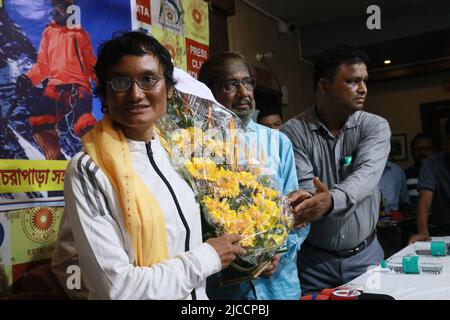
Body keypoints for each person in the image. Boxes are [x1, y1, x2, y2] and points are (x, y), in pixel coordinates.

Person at [51, 31, 245, 300]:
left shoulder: (178, 154)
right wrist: (208, 257)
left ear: (168, 88)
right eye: (120, 81)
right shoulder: (89, 170)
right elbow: (117, 289)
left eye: (148, 79)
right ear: (105, 94)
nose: (135, 94)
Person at [198, 52, 309, 300]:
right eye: (230, 85)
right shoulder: (194, 146)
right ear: (207, 90)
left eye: (247, 83)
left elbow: (297, 213)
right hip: (225, 289)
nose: (244, 93)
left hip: (279, 286)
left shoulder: (277, 142)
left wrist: (278, 251)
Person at [281, 45, 390, 294]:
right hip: (313, 263)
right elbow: (304, 185)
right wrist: (308, 199)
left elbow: (366, 176)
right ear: (323, 86)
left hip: (365, 257)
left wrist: (329, 201)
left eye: (364, 81)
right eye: (352, 81)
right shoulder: (293, 131)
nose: (362, 89)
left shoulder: (375, 127)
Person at [15, 0, 96, 160]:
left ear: (69, 10)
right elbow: (43, 66)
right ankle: (56, 160)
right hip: (54, 87)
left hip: (77, 87)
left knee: (84, 121)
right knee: (39, 120)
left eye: (60, 7)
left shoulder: (80, 35)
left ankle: (98, 158)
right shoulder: (49, 33)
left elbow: (91, 65)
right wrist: (28, 79)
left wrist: (107, 83)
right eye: (54, 7)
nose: (56, 11)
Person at [409, 119, 450, 242]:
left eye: (426, 148)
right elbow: (425, 200)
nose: (422, 152)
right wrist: (422, 232)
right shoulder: (432, 163)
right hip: (445, 230)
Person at [404, 133, 435, 211]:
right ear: (412, 152)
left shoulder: (442, 173)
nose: (422, 152)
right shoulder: (404, 175)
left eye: (427, 149)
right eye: (417, 149)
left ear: (434, 150)